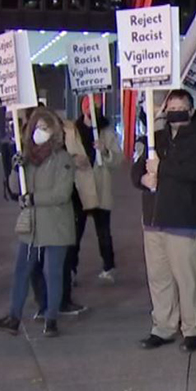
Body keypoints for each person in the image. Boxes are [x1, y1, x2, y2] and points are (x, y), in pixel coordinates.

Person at [131, 89, 196, 352]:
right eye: (169, 107)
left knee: (188, 278)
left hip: (184, 219)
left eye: (180, 106)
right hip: (153, 219)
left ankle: (193, 328)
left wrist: (162, 169)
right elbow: (137, 169)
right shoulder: (156, 138)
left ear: (192, 110)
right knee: (159, 278)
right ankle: (162, 326)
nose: (174, 111)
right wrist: (142, 178)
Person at [0, 108, 76, 337]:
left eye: (44, 128)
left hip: (55, 225)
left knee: (52, 272)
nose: (39, 133)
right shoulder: (28, 158)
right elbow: (16, 190)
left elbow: (62, 193)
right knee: (21, 271)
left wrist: (34, 198)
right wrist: (17, 169)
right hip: (32, 226)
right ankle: (14, 316)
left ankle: (52, 318)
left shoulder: (62, 158)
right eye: (36, 128)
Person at [65, 99, 122, 283]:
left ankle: (108, 266)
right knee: (75, 232)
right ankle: (71, 268)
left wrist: (105, 152)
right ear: (84, 108)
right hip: (79, 188)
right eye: (91, 106)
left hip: (100, 187)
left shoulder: (106, 131)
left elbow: (118, 159)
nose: (94, 110)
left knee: (103, 230)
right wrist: (73, 160)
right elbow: (63, 155)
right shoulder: (72, 130)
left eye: (97, 107)